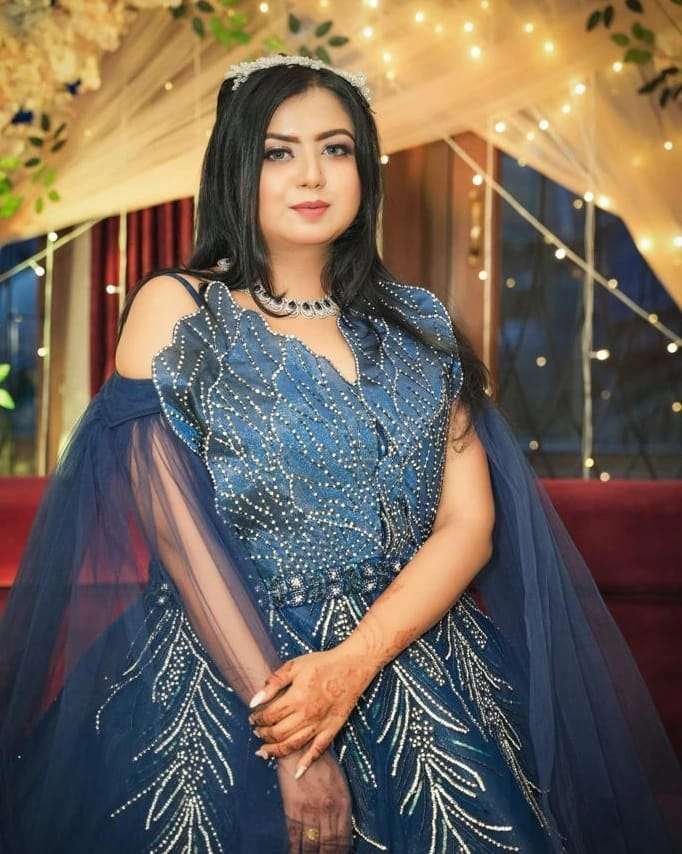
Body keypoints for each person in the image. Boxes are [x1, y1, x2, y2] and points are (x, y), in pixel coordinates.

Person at [0, 54, 680, 854]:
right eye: (278, 152)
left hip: (415, 658)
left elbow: (469, 526)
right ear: (236, 168)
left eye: (336, 148)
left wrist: (351, 665)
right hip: (234, 670)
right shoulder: (178, 307)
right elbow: (179, 537)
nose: (311, 175)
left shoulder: (418, 322)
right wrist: (293, 742)